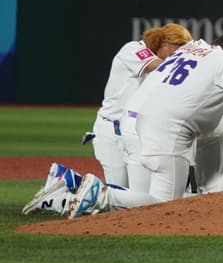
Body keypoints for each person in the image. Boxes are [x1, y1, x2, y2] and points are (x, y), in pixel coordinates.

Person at [63, 33, 223, 217]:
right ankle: (101, 195)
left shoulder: (190, 49)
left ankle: (209, 198)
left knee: (153, 196)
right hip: (169, 132)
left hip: (141, 123)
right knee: (165, 206)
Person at [24, 24, 191, 211]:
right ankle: (62, 195)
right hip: (111, 132)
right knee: (121, 201)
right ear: (166, 43)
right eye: (179, 49)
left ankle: (69, 182)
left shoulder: (162, 64)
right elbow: (157, 66)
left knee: (128, 198)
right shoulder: (134, 49)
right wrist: (191, 63)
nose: (179, 55)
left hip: (131, 132)